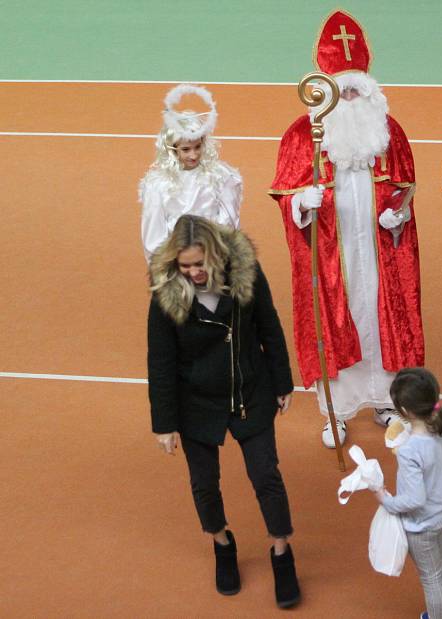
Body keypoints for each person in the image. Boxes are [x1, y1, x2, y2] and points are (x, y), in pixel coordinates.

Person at [269, 10, 424, 448]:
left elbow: (404, 187)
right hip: (333, 259)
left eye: (358, 89)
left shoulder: (388, 133)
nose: (352, 98)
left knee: (380, 319)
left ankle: (388, 400)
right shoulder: (304, 136)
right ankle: (334, 411)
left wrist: (399, 217)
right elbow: (285, 195)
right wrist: (301, 202)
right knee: (335, 321)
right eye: (345, 90)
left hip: (379, 256)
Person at [147, 215, 300, 608]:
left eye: (200, 264)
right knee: (204, 483)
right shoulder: (165, 293)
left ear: (215, 255)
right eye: (186, 266)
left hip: (249, 391)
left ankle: (282, 554)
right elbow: (160, 362)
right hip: (195, 402)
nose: (194, 272)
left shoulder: (246, 274)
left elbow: (269, 325)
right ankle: (222, 543)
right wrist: (164, 424)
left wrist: (282, 381)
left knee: (266, 475)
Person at [373, 368, 442, 619]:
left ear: (406, 412)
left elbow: (413, 499)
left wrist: (385, 499)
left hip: (423, 524)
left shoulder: (410, 450)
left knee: (431, 578)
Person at [139, 83, 241, 262]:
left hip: (212, 258)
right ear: (173, 150)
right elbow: (154, 235)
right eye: (186, 149)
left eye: (197, 147)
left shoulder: (221, 177)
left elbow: (228, 223)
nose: (193, 155)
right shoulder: (157, 185)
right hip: (176, 261)